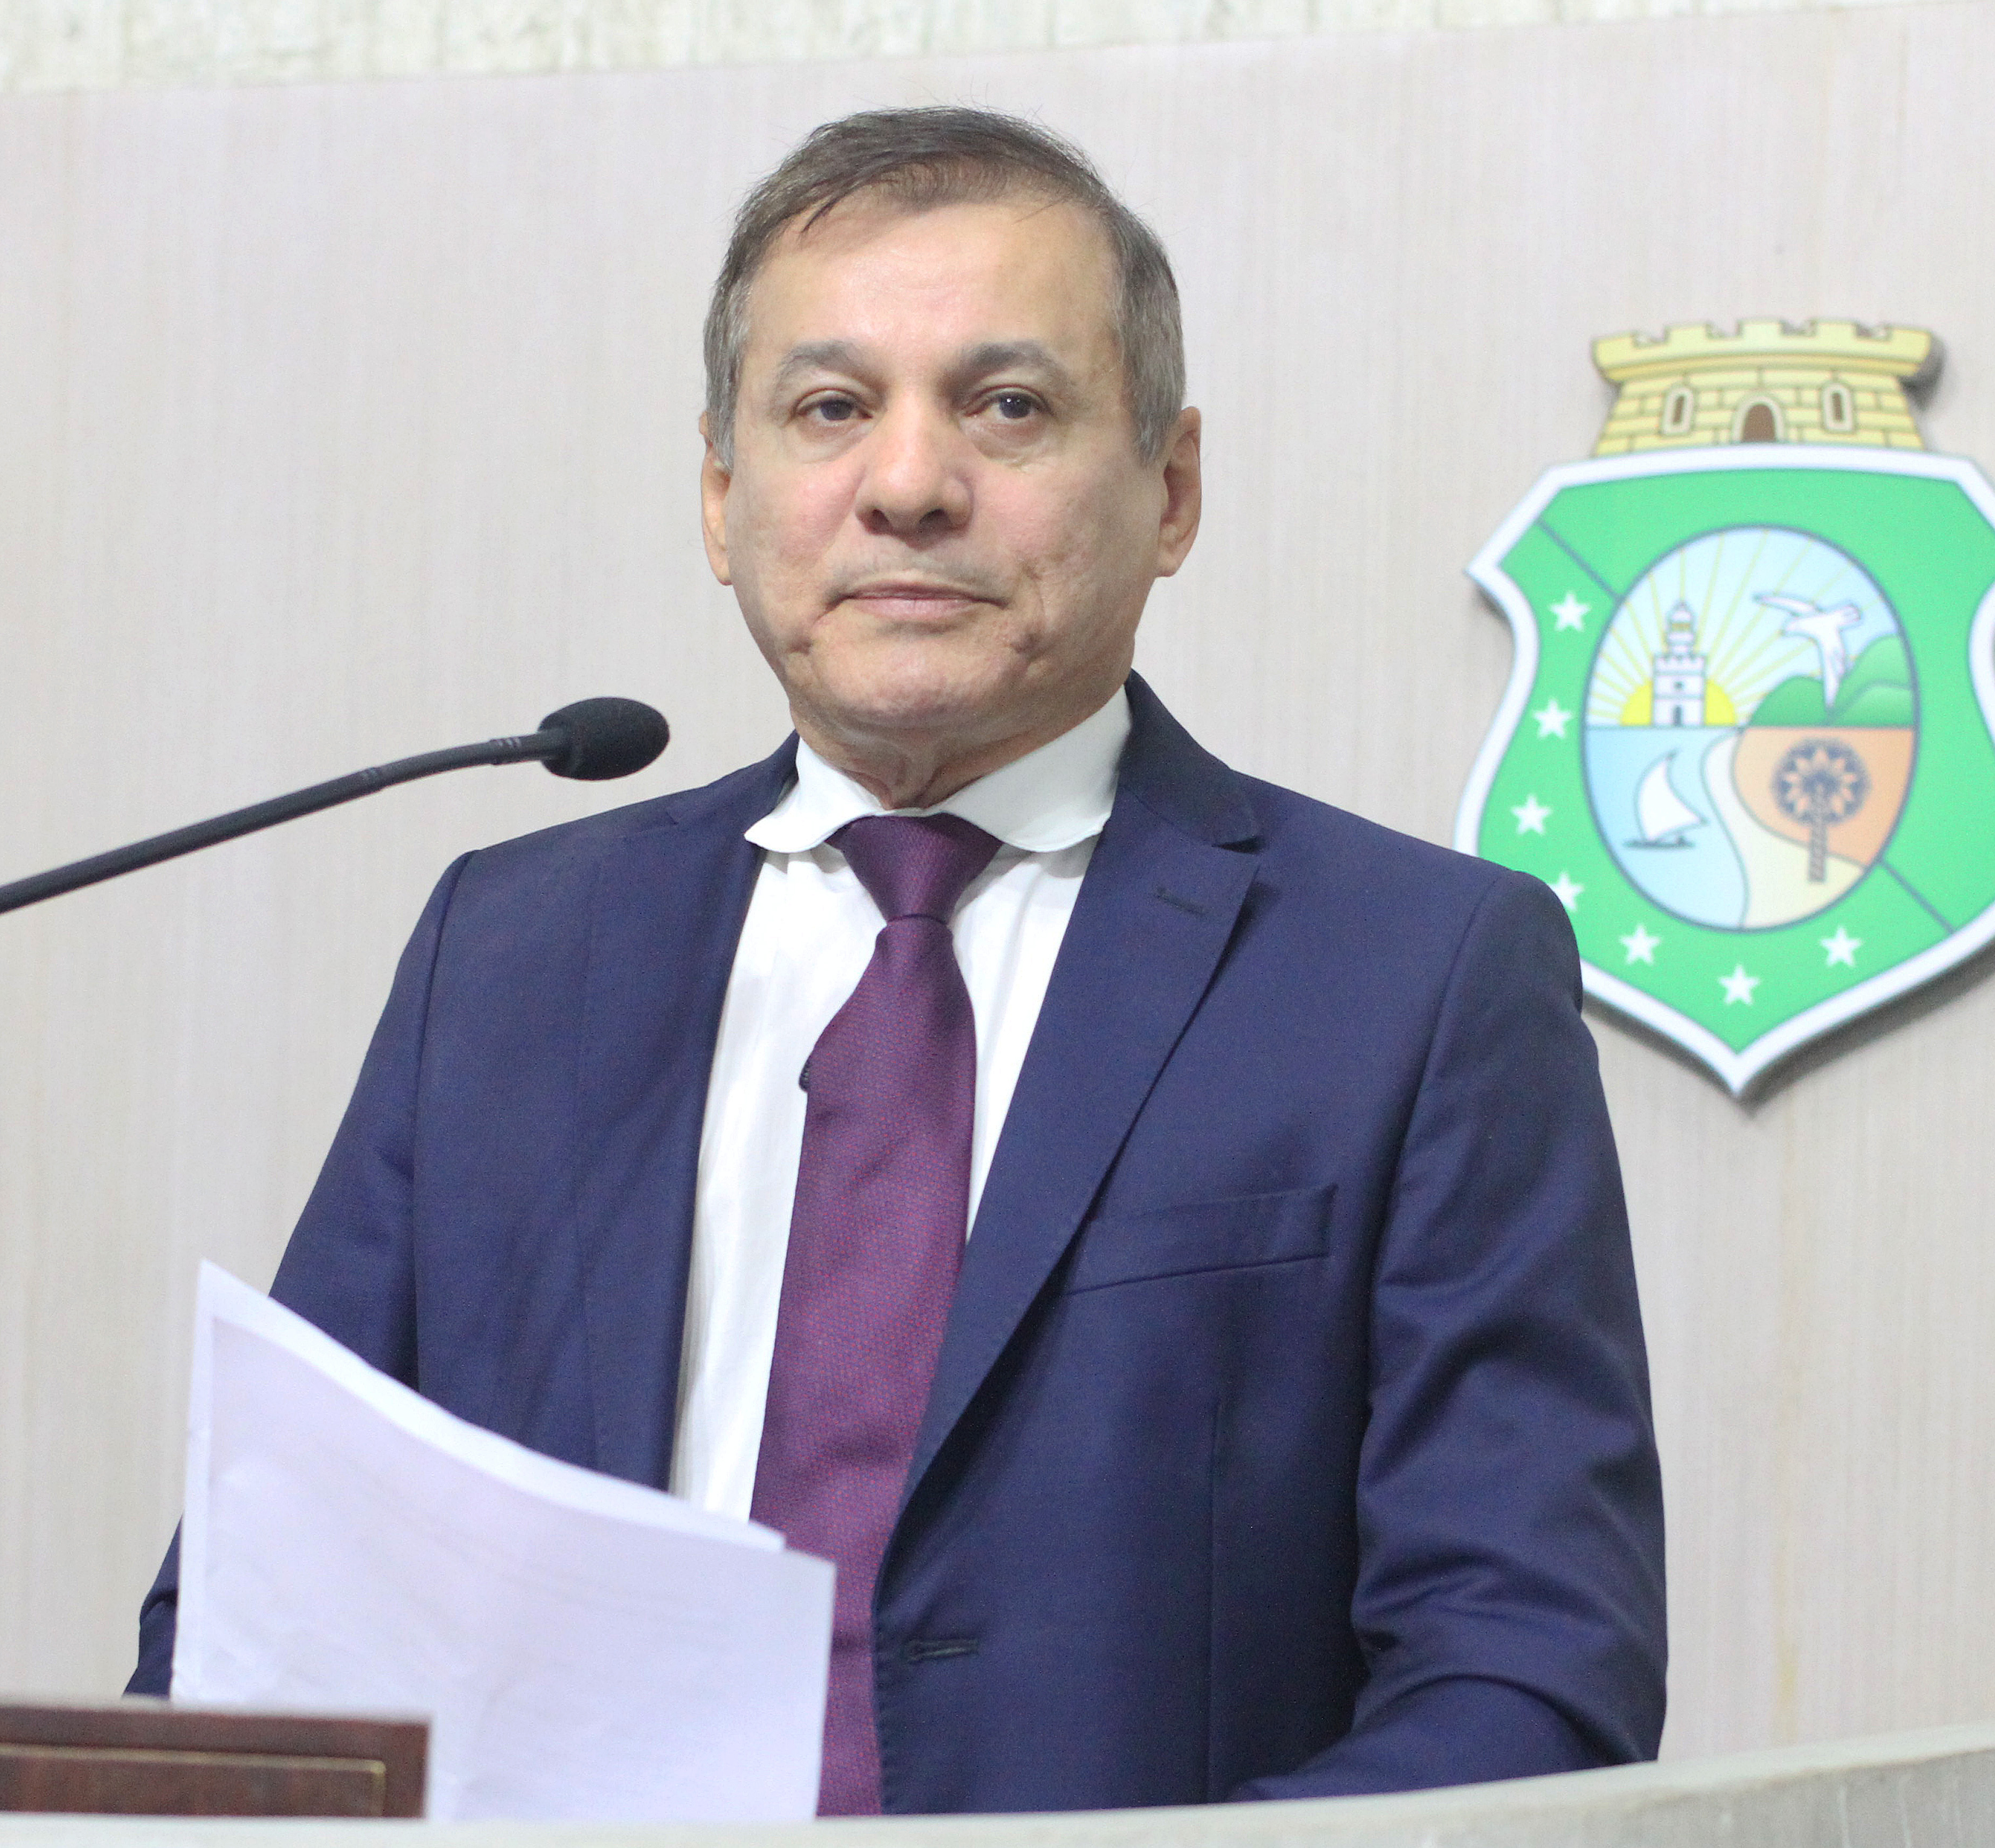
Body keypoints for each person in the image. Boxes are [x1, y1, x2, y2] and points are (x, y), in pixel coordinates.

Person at [129, 106, 1664, 1814]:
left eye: (1008, 407)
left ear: (1170, 490)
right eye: (830, 409)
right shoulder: (508, 960)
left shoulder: (1413, 980)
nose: (911, 484)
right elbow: (259, 1620)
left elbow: (1528, 1679)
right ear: (723, 496)